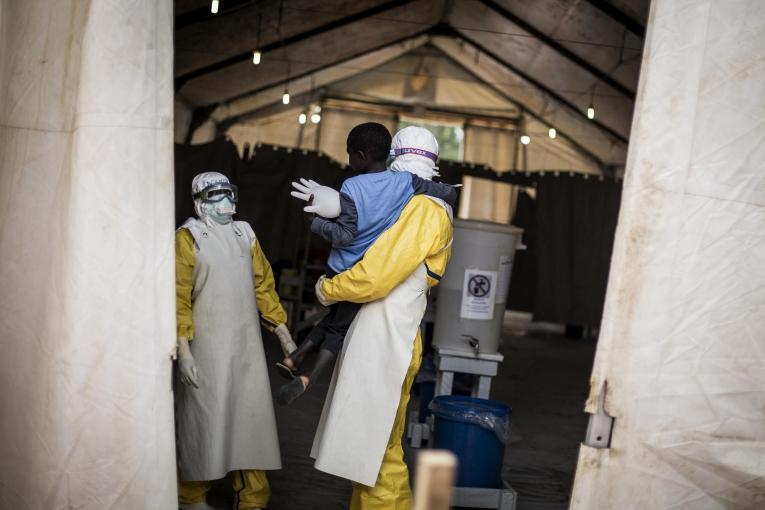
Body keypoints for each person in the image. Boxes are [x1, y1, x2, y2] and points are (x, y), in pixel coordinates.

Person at [308, 126, 455, 509]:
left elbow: (376, 276)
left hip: (388, 337)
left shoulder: (425, 210)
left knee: (378, 455)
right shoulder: (414, 204)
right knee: (370, 449)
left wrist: (329, 289)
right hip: (388, 334)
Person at [277, 123, 456, 406]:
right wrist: (448, 193)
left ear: (359, 156)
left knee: (332, 321)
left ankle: (295, 359)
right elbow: (445, 192)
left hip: (340, 267)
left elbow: (345, 235)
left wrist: (316, 223)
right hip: (361, 267)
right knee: (338, 327)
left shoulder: (351, 186)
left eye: (349, 154)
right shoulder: (406, 182)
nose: (348, 161)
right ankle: (307, 375)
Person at [174, 171, 297, 510]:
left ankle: (253, 498)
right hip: (206, 349)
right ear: (200, 202)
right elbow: (178, 296)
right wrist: (183, 351)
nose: (227, 202)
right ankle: (191, 495)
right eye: (217, 195)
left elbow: (263, 286)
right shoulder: (189, 238)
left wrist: (282, 331)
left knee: (251, 421)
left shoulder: (245, 234)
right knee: (204, 420)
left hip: (247, 349)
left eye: (229, 194)